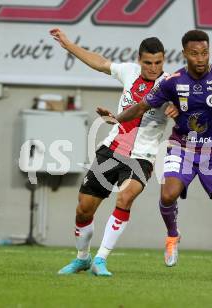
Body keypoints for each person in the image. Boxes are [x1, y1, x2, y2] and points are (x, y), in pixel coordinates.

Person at [102, 29, 212, 281]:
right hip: (181, 148)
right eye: (194, 54)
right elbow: (141, 106)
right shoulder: (172, 82)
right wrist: (116, 119)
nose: (201, 58)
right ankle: (173, 234)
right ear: (184, 54)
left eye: (204, 52)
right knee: (168, 194)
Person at [49, 28, 178, 276]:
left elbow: (184, 108)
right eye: (148, 62)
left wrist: (176, 110)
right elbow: (100, 62)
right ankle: (82, 258)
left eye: (159, 62)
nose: (153, 67)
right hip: (112, 149)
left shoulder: (170, 84)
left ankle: (101, 259)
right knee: (84, 208)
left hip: (142, 156)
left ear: (164, 60)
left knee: (125, 197)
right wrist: (69, 45)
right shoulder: (129, 71)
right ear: (139, 60)